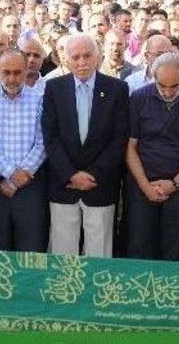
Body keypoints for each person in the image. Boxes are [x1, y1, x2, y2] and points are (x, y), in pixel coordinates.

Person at [41, 34, 130, 257]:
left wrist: (93, 174)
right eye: (75, 57)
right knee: (64, 254)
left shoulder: (117, 89)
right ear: (66, 60)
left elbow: (119, 138)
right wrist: (71, 175)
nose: (82, 62)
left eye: (87, 56)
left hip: (100, 184)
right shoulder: (54, 88)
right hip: (64, 184)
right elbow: (50, 136)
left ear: (98, 57)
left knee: (99, 254)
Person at [125, 53, 179, 261]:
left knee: (174, 246)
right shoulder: (139, 98)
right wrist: (145, 186)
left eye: (174, 86)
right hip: (142, 183)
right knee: (139, 244)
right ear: (153, 77)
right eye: (161, 85)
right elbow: (130, 147)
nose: (167, 92)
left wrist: (174, 184)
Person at [0, 51, 49, 252]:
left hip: (31, 184)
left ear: (27, 70)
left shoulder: (39, 100)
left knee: (31, 247)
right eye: (7, 72)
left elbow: (42, 144)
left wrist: (18, 178)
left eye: (18, 72)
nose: (12, 79)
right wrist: (11, 174)